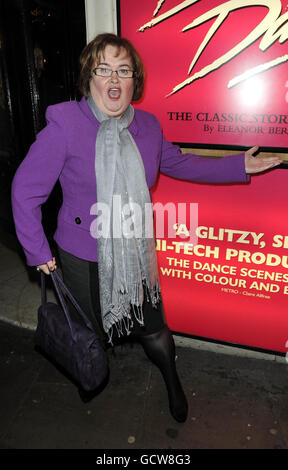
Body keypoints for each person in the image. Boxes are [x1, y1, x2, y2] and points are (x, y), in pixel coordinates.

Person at [11, 33, 283, 423]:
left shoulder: (148, 127)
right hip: (81, 257)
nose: (114, 80)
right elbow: (24, 191)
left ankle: (172, 381)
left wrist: (238, 165)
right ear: (88, 77)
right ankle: (90, 373)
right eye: (104, 70)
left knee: (154, 327)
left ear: (134, 81)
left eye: (124, 70)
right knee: (92, 336)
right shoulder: (66, 124)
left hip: (134, 254)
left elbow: (179, 163)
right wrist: (38, 252)